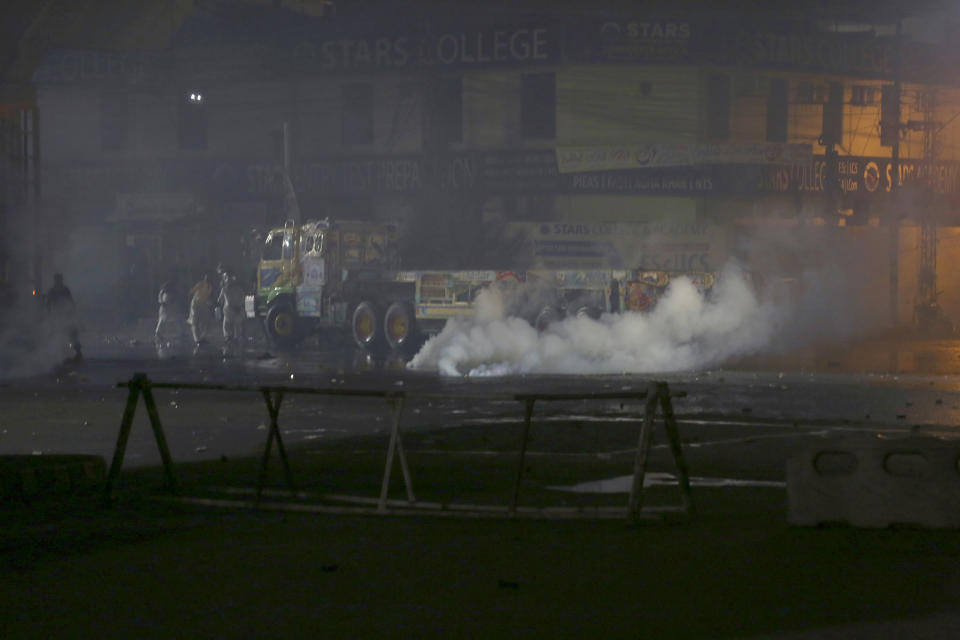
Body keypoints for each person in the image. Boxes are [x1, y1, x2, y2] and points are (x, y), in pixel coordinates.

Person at [46, 272, 82, 361]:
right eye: (57, 280)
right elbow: (48, 304)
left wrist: (71, 313)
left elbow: (70, 303)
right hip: (57, 317)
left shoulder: (64, 290)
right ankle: (63, 354)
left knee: (71, 334)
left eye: (59, 280)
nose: (58, 282)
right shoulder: (53, 291)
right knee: (59, 335)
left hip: (65, 316)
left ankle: (76, 353)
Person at [217, 269, 246, 354]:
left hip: (236, 311)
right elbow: (220, 300)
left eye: (230, 278)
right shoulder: (224, 290)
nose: (228, 280)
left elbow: (243, 298)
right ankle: (229, 341)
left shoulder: (238, 289)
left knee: (236, 327)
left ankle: (235, 343)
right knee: (227, 326)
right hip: (228, 312)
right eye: (226, 278)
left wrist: (239, 306)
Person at [187, 273, 213, 346]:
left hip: (203, 304)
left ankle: (203, 337)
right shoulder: (200, 284)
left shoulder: (210, 287)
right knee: (195, 321)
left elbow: (206, 296)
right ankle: (197, 339)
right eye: (206, 277)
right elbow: (191, 292)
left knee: (206, 320)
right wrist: (190, 302)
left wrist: (209, 303)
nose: (207, 279)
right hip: (196, 304)